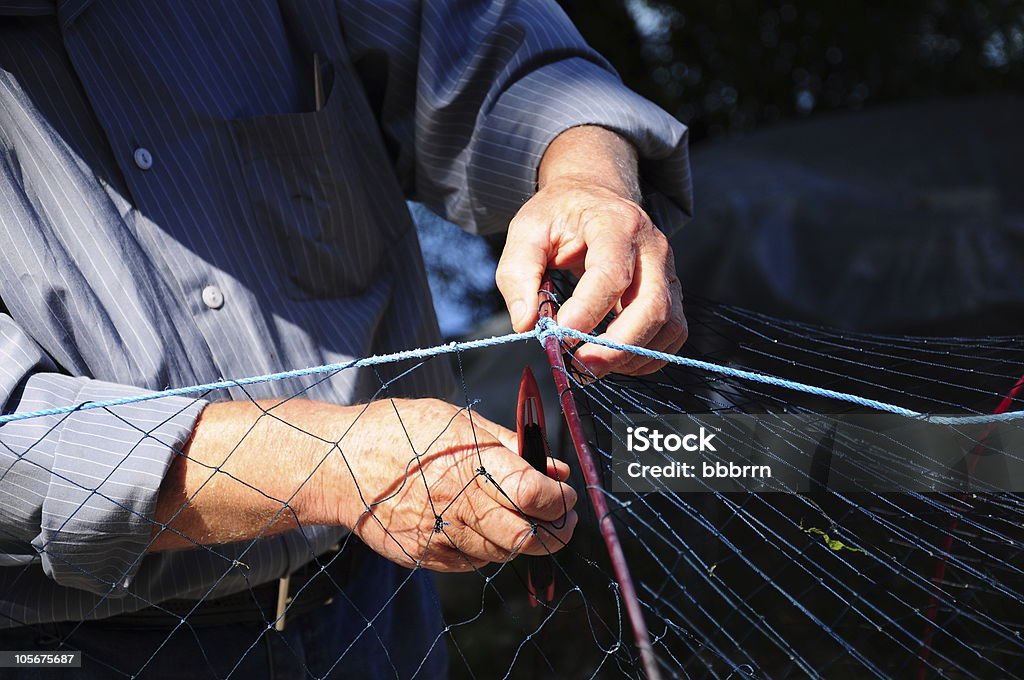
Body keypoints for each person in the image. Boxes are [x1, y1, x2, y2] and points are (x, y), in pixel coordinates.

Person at [0, 1, 691, 677]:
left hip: (375, 601)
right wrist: (335, 465)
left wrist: (587, 177)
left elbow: (490, 44)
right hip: (70, 651)